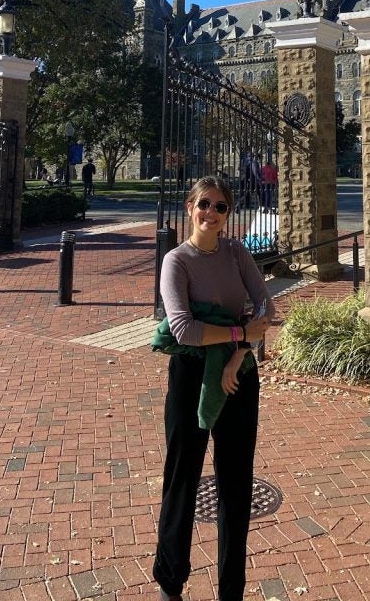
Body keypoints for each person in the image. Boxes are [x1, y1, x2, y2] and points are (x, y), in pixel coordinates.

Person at [153, 176, 275, 601]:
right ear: (190, 208)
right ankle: (171, 582)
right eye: (204, 204)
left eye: (220, 207)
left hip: (238, 376)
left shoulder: (237, 252)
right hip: (190, 376)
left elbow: (266, 306)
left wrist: (240, 353)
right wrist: (240, 333)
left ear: (228, 214)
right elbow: (184, 330)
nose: (212, 213)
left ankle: (231, 591)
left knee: (236, 482)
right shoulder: (176, 261)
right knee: (183, 476)